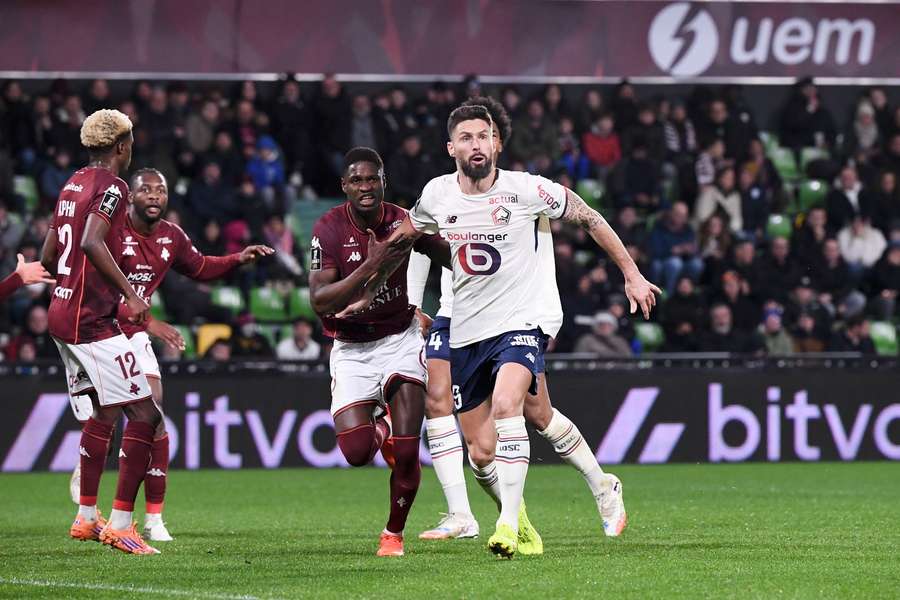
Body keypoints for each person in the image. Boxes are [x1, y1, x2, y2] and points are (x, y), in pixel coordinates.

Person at [360, 104, 659, 558]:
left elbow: (589, 216)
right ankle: (597, 485)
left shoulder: (527, 190)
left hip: (523, 319)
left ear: (497, 143)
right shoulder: (438, 194)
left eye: (484, 136)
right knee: (489, 448)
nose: (477, 145)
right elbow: (405, 240)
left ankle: (504, 526)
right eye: (466, 138)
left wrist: (631, 274)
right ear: (451, 148)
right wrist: (370, 287)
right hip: (466, 327)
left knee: (507, 405)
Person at [68, 167, 273, 542]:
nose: (154, 196)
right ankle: (89, 512)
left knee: (154, 417)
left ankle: (154, 519)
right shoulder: (108, 232)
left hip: (134, 335)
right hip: (100, 330)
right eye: (146, 190)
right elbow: (96, 290)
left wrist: (237, 259)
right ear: (130, 197)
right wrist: (152, 323)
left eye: (160, 191)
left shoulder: (171, 236)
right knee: (109, 415)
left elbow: (200, 267)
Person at [308, 147, 449, 557]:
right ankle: (381, 425)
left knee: (407, 450)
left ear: (384, 181)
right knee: (356, 453)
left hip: (400, 339)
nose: (366, 187)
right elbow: (319, 300)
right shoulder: (327, 229)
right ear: (344, 186)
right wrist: (372, 265)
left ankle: (393, 534)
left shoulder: (404, 221)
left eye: (373, 179)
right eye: (357, 180)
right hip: (351, 348)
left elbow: (450, 255)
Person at [39, 109, 158, 554]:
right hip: (89, 321)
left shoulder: (72, 183)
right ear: (122, 146)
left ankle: (87, 517)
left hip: (60, 312)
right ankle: (122, 525)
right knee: (145, 415)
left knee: (106, 413)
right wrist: (130, 294)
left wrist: (71, 281)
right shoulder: (114, 186)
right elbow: (91, 240)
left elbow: (49, 255)